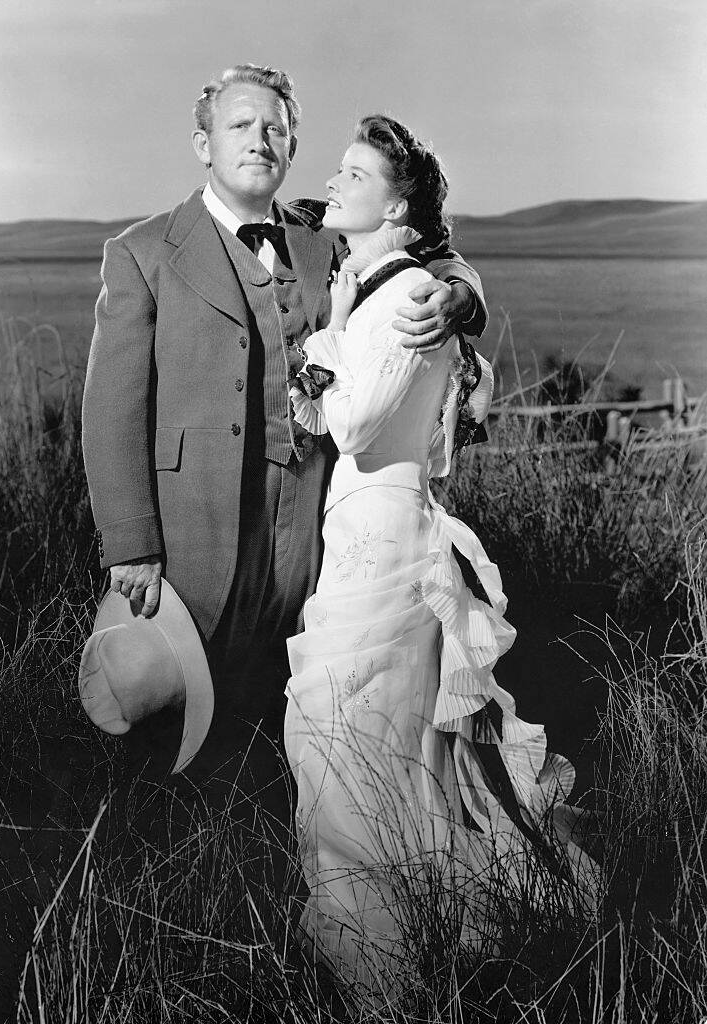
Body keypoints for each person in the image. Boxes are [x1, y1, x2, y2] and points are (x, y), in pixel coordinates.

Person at [81, 65, 489, 809]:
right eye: (240, 125)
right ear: (203, 144)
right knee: (187, 711)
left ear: (292, 146)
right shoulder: (143, 252)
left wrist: (462, 293)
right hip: (196, 528)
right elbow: (111, 410)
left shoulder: (319, 237)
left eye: (274, 127)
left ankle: (279, 845)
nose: (259, 140)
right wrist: (131, 542)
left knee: (295, 711)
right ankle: (173, 849)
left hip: (313, 532)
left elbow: (424, 244)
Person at [284, 115, 597, 992]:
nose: (333, 183)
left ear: (398, 208)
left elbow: (350, 423)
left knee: (354, 736)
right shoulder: (371, 273)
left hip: (384, 540)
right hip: (361, 531)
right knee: (369, 736)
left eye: (355, 174)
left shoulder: (410, 296)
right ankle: (399, 929)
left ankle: (382, 955)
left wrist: (330, 329)